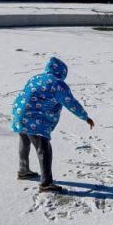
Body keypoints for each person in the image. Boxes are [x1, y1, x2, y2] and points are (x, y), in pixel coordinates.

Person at [11, 57, 94, 193]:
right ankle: (46, 183)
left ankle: (23, 170)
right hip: (36, 119)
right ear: (62, 72)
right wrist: (85, 117)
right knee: (43, 150)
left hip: (19, 113)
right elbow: (71, 103)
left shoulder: (36, 77)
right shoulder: (58, 84)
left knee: (24, 141)